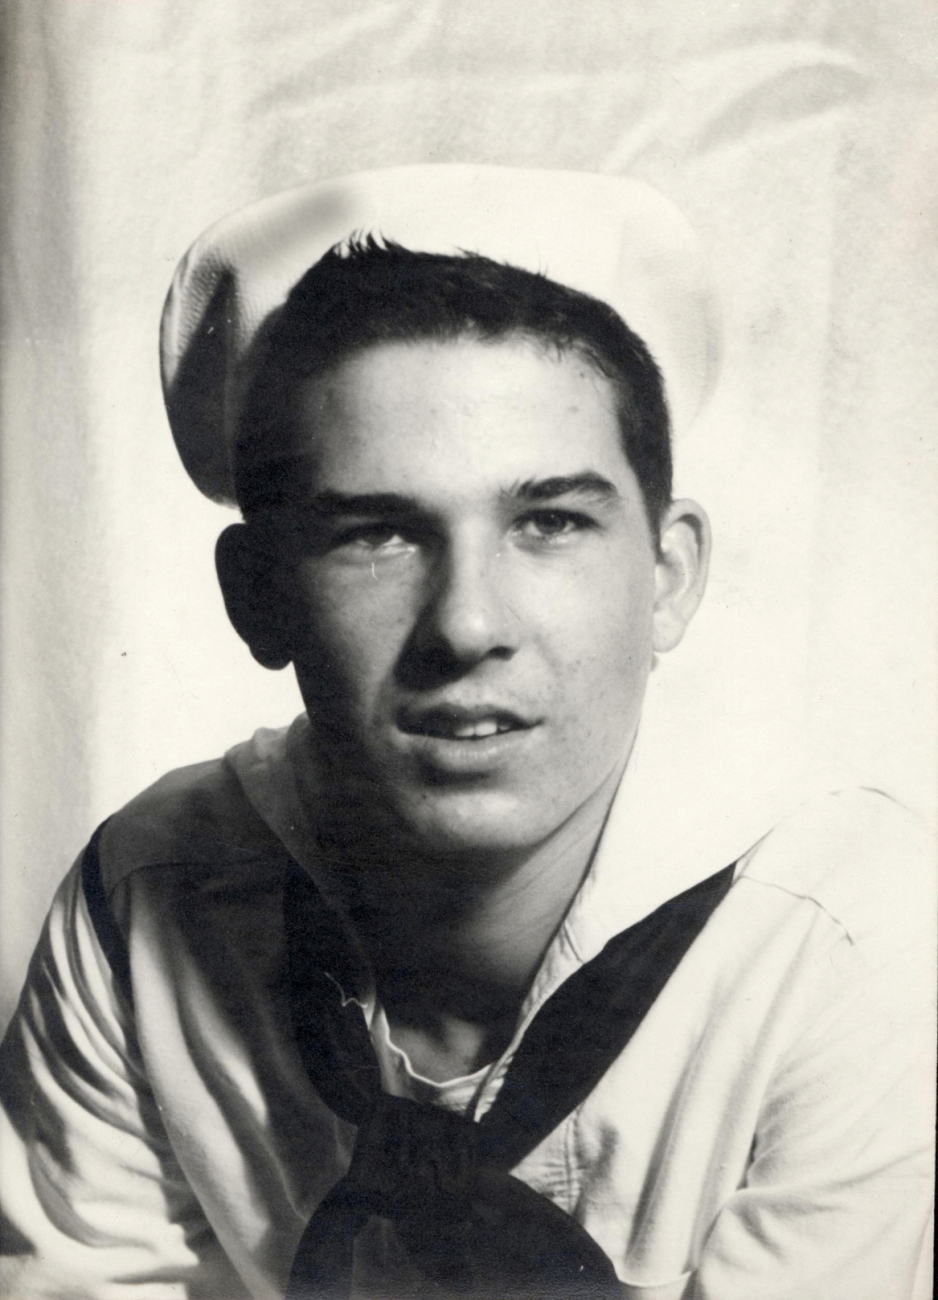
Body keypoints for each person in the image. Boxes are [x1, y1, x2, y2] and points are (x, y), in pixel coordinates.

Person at [0, 166, 932, 1300]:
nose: (467, 624)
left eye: (548, 522)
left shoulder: (850, 938)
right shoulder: (139, 903)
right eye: (377, 534)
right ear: (256, 596)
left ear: (668, 574)